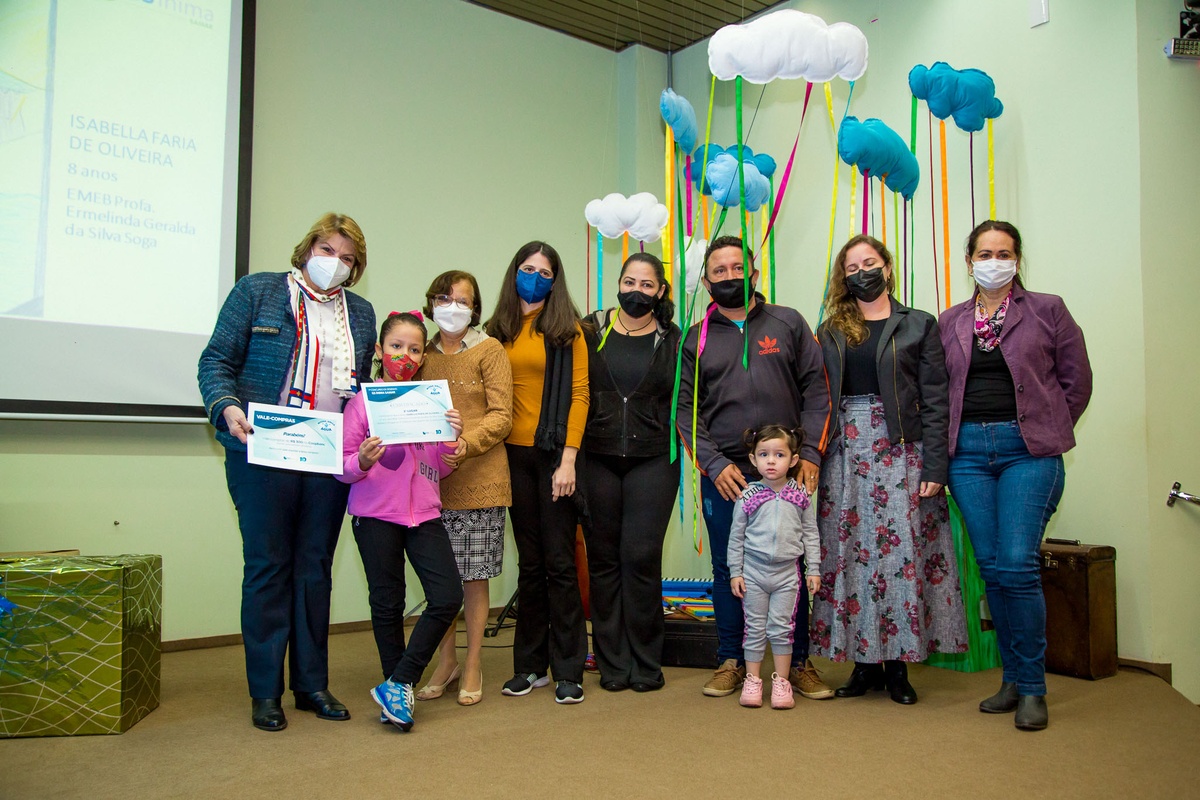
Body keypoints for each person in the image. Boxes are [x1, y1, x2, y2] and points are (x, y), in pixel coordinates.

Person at [198, 212, 376, 732]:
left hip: (325, 453)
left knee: (314, 568)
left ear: (356, 269)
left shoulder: (360, 313)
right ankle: (265, 692)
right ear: (306, 250)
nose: (335, 263)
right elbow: (215, 362)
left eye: (347, 258)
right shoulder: (257, 292)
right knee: (268, 566)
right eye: (327, 250)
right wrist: (227, 407)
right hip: (261, 448)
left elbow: (361, 387)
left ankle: (311, 685)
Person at [941, 220, 1092, 731]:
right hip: (966, 455)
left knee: (1016, 564)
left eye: (1003, 253)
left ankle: (1032, 687)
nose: (994, 261)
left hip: (1028, 452)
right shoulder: (951, 321)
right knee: (992, 568)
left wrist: (1049, 428)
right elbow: (940, 389)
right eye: (984, 254)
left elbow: (1077, 381)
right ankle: (1011, 678)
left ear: (1018, 260)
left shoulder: (1048, 309)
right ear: (969, 262)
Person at [810, 234, 969, 705]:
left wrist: (936, 465)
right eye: (852, 267)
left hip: (903, 450)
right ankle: (863, 665)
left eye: (870, 262)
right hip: (844, 453)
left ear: (886, 266)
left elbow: (937, 399)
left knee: (902, 557)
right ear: (843, 277)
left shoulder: (918, 323)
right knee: (851, 555)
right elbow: (817, 396)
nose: (862, 272)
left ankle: (898, 666)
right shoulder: (830, 329)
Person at [677, 235, 833, 700]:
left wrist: (810, 454)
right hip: (727, 475)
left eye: (736, 268)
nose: (729, 276)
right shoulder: (695, 338)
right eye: (719, 271)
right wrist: (712, 462)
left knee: (792, 563)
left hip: (786, 472)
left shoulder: (788, 323)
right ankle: (730, 659)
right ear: (707, 283)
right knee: (729, 566)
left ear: (754, 273)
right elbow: (684, 409)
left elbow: (818, 391)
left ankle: (798, 662)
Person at [339, 311, 465, 732]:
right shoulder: (362, 403)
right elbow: (341, 468)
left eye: (413, 349)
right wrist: (362, 460)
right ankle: (397, 691)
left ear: (422, 356)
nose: (404, 356)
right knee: (387, 602)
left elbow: (438, 468)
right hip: (375, 515)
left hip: (424, 514)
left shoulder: (432, 403)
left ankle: (398, 681)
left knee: (447, 596)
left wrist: (452, 442)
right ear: (380, 350)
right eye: (396, 347)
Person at [485, 241, 590, 704]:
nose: (535, 278)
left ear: (555, 281)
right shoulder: (495, 331)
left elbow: (581, 395)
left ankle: (568, 668)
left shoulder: (568, 330)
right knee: (530, 564)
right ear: (514, 273)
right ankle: (530, 666)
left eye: (545, 273)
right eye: (528, 269)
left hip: (554, 457)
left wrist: (568, 460)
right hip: (510, 457)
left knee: (560, 563)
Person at [581, 253, 681, 693]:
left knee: (640, 558)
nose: (636, 291)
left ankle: (646, 662)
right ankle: (612, 663)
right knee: (603, 561)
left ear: (660, 291)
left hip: (654, 459)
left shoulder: (674, 339)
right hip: (596, 457)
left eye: (646, 284)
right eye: (629, 282)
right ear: (618, 284)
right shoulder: (590, 331)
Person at [416, 271, 514, 707]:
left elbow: (502, 415)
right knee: (438, 582)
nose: (452, 307)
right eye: (444, 298)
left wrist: (466, 444)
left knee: (474, 578)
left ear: (475, 309)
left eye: (463, 300)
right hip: (428, 485)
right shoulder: (421, 353)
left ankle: (473, 661)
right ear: (431, 303)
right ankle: (447, 661)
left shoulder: (489, 350)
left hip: (480, 479)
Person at [729, 426, 822, 711]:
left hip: (787, 574)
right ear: (753, 459)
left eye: (779, 455)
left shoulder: (800, 495)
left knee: (782, 629)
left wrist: (814, 569)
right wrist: (735, 572)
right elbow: (736, 537)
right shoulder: (747, 496)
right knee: (755, 628)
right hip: (753, 573)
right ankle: (753, 680)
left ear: (793, 460)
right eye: (764, 455)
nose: (771, 461)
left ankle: (782, 682)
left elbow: (811, 533)